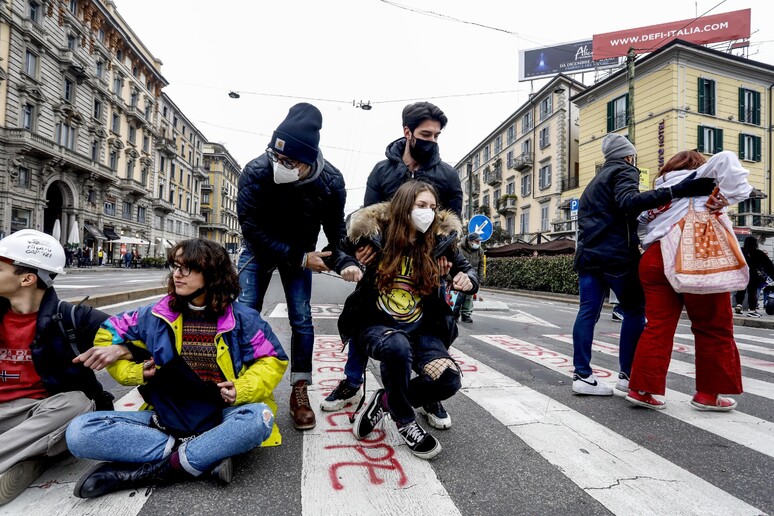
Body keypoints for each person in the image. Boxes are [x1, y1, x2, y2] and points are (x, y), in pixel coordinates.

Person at [66, 238, 288, 498]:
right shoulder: (154, 314)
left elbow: (272, 360)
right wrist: (133, 370)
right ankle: (206, 454)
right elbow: (108, 333)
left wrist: (242, 388)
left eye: (187, 268)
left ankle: (152, 471)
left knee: (259, 418)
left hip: (222, 416)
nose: (177, 274)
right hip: (167, 417)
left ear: (212, 273)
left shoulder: (242, 319)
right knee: (78, 432)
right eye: (175, 266)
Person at [322, 102, 463, 431]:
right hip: (381, 263)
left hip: (425, 265)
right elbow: (365, 214)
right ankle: (352, 382)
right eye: (425, 134)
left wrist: (447, 255)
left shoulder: (446, 174)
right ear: (408, 132)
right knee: (368, 314)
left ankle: (427, 392)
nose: (432, 140)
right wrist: (361, 249)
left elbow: (452, 224)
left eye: (437, 135)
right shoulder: (383, 170)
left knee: (429, 321)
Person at [337, 180, 477, 460]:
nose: (428, 213)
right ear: (403, 207)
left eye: (433, 208)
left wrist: (467, 280)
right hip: (376, 327)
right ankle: (405, 421)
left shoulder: (440, 240)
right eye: (421, 206)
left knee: (449, 379)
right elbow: (338, 250)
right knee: (397, 346)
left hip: (422, 330)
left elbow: (468, 270)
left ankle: (386, 400)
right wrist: (348, 264)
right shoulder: (376, 235)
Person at [572, 133, 716, 396]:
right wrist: (677, 191)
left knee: (587, 313)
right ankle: (626, 375)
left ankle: (582, 375)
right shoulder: (624, 170)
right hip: (616, 256)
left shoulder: (593, 183)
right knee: (635, 312)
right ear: (628, 155)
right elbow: (629, 202)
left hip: (588, 256)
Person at [236, 102, 348, 431]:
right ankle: (247, 381)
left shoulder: (330, 181)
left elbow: (337, 232)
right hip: (259, 249)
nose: (279, 164)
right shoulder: (256, 171)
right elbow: (251, 229)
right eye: (276, 156)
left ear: (307, 162)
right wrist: (301, 258)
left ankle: (299, 389)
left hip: (300, 249)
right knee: (245, 314)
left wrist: (341, 260)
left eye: (288, 161)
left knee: (302, 318)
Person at [625, 150, 751, 411]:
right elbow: (727, 157)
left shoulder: (659, 193)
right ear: (696, 166)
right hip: (695, 254)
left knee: (658, 325)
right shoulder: (700, 178)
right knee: (713, 326)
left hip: (653, 257)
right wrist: (731, 197)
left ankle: (642, 389)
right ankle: (708, 394)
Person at [0, 230, 112, 505]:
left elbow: (141, 331)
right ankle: (23, 453)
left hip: (35, 414)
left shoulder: (73, 317)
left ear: (27, 279)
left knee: (77, 405)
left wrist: (119, 347)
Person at [734, 236, 774, 318]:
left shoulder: (740, 251)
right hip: (753, 275)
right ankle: (752, 310)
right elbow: (768, 265)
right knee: (752, 292)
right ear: (755, 243)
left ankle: (739, 305)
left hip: (741, 274)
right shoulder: (758, 253)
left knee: (741, 290)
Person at [453, 233, 485, 323]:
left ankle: (466, 315)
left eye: (479, 241)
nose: (478, 243)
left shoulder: (479, 250)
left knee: (469, 297)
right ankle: (455, 314)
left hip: (472, 276)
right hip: (460, 276)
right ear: (470, 241)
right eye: (476, 241)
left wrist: (480, 278)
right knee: (459, 297)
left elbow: (481, 265)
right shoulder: (459, 248)